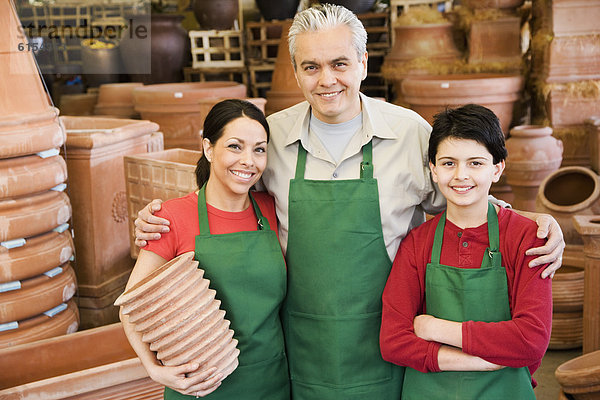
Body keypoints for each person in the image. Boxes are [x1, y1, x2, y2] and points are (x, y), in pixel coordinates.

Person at [134, 4, 564, 399]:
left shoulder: (410, 132)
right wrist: (163, 219)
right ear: (296, 72)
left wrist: (535, 223)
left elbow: (465, 194)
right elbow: (226, 190)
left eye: (340, 63)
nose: (327, 80)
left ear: (362, 63)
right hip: (301, 351)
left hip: (389, 343)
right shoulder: (270, 139)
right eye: (311, 66)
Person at [120, 99, 290, 400]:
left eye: (259, 149)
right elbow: (130, 306)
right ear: (208, 148)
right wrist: (154, 369)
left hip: (270, 381)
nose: (249, 161)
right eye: (235, 146)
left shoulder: (271, 210)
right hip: (200, 387)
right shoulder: (171, 218)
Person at [380, 104, 552, 399]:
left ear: (497, 169)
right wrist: (480, 362)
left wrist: (434, 328)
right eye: (448, 163)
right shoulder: (417, 244)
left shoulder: (527, 239)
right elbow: (393, 341)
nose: (461, 175)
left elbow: (531, 339)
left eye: (475, 163)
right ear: (433, 170)